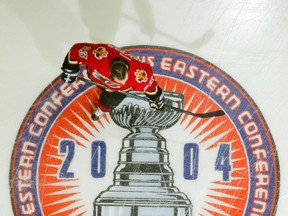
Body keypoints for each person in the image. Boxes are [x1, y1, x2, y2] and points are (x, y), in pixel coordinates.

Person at [61, 43, 165, 120]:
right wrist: (70, 69)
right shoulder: (98, 55)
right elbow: (75, 51)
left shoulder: (140, 74)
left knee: (109, 103)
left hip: (116, 92)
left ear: (127, 70)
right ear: (110, 73)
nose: (123, 83)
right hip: (96, 77)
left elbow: (152, 89)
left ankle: (102, 109)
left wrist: (158, 100)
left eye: (123, 80)